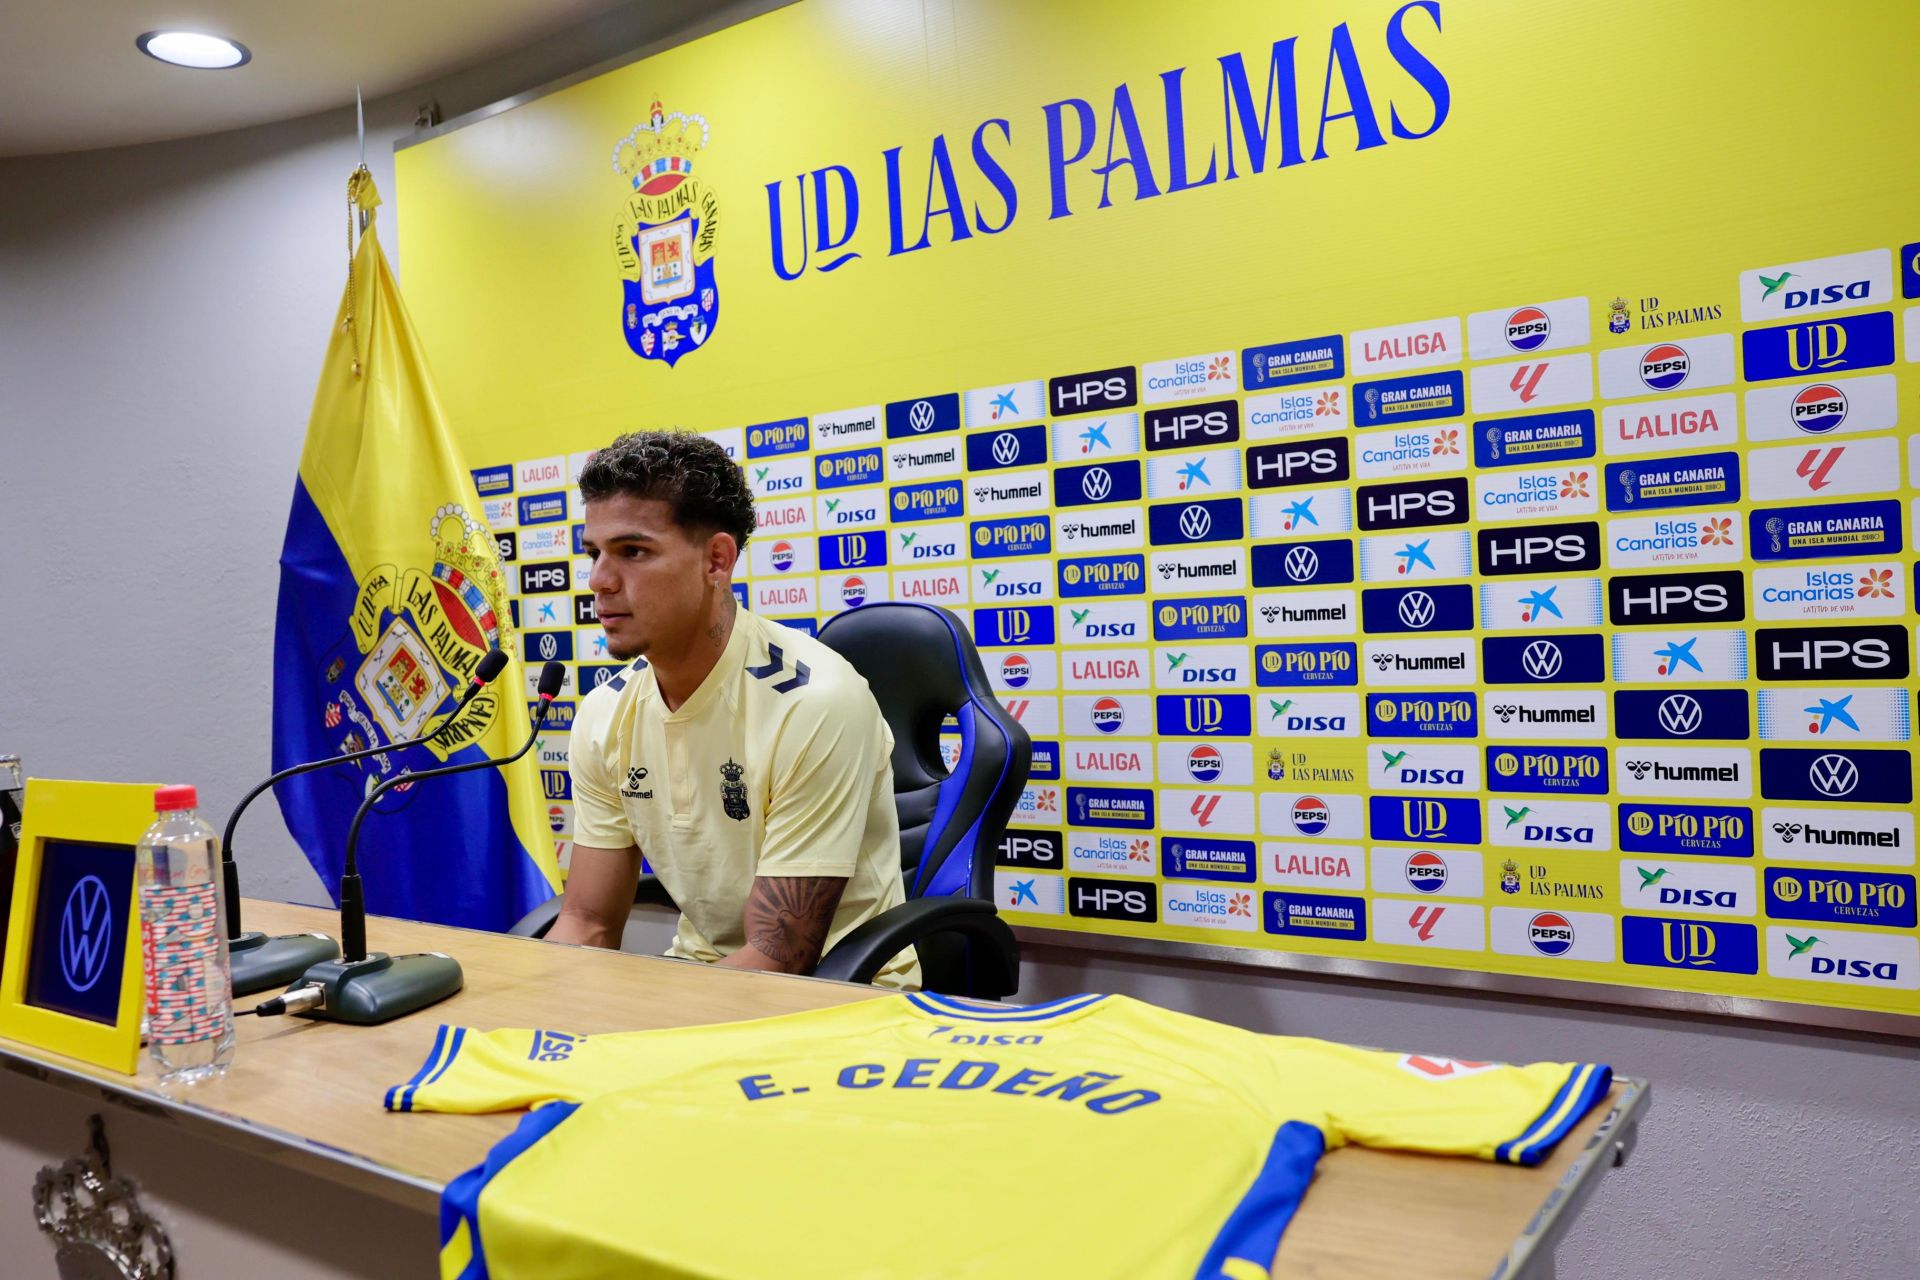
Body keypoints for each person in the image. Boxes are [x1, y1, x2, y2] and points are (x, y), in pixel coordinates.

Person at [548, 431, 919, 988]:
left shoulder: (814, 702)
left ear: (717, 560)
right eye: (594, 554)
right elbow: (588, 921)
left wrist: (644, 1024)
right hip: (701, 980)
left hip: (843, 994)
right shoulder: (604, 715)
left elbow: (779, 956)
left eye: (633, 551)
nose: (599, 581)